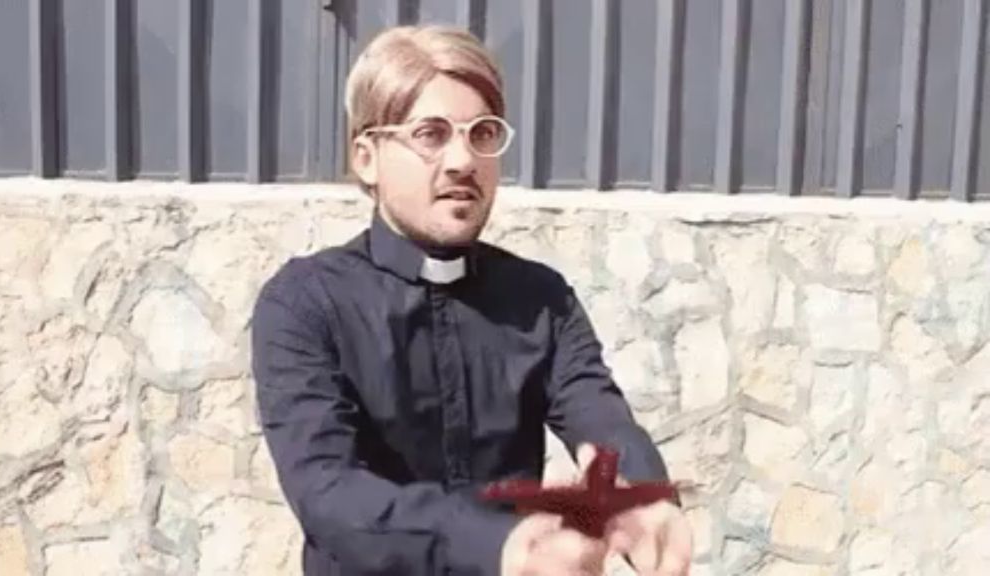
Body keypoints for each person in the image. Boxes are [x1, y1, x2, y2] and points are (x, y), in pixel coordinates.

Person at [251, 24, 692, 576]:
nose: (463, 160)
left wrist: (642, 495)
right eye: (431, 134)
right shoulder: (305, 304)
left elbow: (597, 413)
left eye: (482, 134)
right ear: (366, 157)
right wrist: (498, 544)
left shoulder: (541, 298)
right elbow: (327, 492)